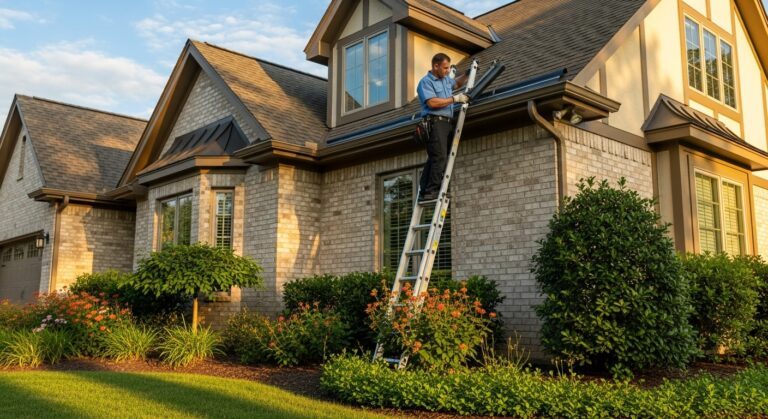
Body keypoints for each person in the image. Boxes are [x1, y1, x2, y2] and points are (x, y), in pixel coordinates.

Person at [416, 53, 469, 202]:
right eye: (445, 68)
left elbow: (456, 84)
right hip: (435, 122)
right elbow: (432, 103)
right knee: (439, 157)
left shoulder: (446, 80)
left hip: (446, 123)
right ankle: (432, 191)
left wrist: (466, 74)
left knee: (435, 157)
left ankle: (424, 191)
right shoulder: (426, 82)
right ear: (436, 66)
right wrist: (455, 99)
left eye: (448, 68)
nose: (447, 71)